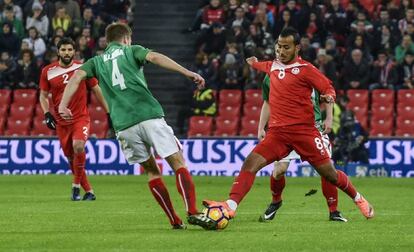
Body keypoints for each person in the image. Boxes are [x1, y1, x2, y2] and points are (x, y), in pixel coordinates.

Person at [203, 27, 374, 227]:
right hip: (278, 134)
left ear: (297, 48)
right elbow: (265, 66)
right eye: (278, 46)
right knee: (250, 163)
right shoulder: (273, 66)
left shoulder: (306, 69)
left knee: (330, 174)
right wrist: (255, 63)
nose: (281, 51)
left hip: (305, 132)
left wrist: (329, 97)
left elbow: (327, 87)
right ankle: (230, 206)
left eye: (286, 47)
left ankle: (358, 198)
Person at [58, 23, 215, 230]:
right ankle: (192, 211)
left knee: (151, 171)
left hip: (123, 125)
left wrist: (62, 104)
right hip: (148, 115)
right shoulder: (133, 50)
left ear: (107, 41)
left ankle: (174, 221)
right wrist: (187, 72)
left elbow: (76, 77)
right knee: (177, 162)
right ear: (126, 39)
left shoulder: (95, 62)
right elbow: (155, 57)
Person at [257, 74, 347, 222]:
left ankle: (334, 211)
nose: (281, 53)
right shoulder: (271, 76)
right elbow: (267, 102)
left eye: (285, 49)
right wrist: (261, 127)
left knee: (327, 169)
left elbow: (328, 94)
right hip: (285, 130)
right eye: (278, 50)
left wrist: (329, 118)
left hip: (313, 129)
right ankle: (276, 201)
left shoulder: (309, 72)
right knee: (279, 170)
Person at [39, 37, 108, 201]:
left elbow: (97, 89)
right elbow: (42, 96)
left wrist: (109, 112)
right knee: (71, 158)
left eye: (70, 49)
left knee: (78, 146)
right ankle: (89, 191)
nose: (67, 53)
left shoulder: (82, 68)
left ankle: (75, 187)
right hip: (61, 122)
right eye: (63, 50)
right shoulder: (47, 71)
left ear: (74, 51)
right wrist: (47, 114)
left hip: (80, 118)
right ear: (58, 52)